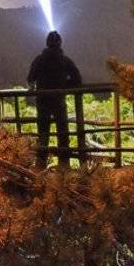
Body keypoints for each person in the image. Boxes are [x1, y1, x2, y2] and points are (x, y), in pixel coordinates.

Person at [26, 30, 82, 168]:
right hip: (59, 101)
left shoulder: (39, 60)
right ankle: (64, 166)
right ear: (60, 43)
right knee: (63, 133)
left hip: (43, 101)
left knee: (43, 133)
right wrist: (64, 86)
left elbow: (30, 78)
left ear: (47, 43)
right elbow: (77, 80)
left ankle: (40, 165)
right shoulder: (65, 61)